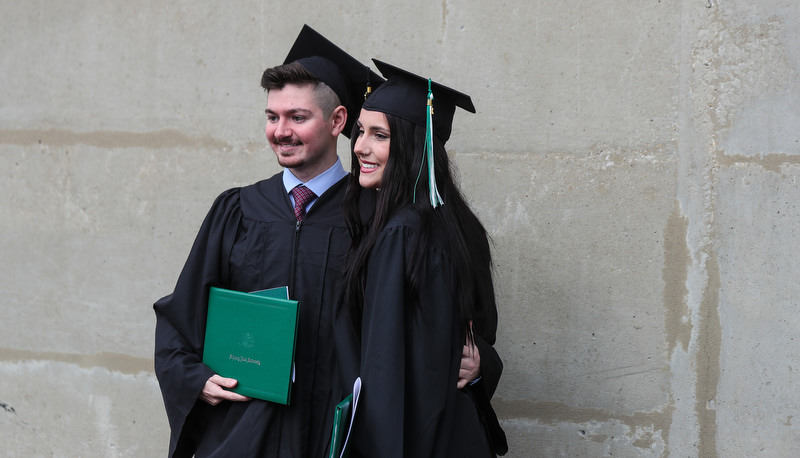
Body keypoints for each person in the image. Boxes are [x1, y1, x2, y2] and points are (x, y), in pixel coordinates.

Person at [153, 26, 383, 457]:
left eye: (298, 117)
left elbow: (414, 322)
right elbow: (181, 316)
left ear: (337, 121)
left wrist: (475, 359)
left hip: (330, 436)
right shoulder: (238, 210)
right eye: (272, 116)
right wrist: (193, 378)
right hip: (241, 433)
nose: (280, 131)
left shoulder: (373, 216)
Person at [334, 60, 508, 457]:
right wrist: (477, 359)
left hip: (414, 438)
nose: (360, 146)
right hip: (457, 434)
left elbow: (385, 367)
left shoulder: (401, 232)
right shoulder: (457, 224)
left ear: (413, 145)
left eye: (380, 135)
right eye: (361, 131)